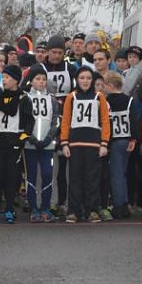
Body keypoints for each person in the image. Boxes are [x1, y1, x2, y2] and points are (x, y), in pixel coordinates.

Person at [0, 65, 34, 223]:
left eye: (7, 77)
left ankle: (10, 208)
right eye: (3, 77)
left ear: (16, 80)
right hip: (0, 140)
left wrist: (22, 140)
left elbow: (29, 122)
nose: (3, 80)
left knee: (12, 177)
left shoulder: (24, 98)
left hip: (14, 140)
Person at [60, 66, 111, 223]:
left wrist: (104, 143)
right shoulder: (72, 97)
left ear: (93, 80)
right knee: (75, 178)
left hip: (94, 144)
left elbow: (105, 120)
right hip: (75, 143)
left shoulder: (99, 97)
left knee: (92, 179)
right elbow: (66, 120)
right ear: (77, 79)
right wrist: (64, 143)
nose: (85, 81)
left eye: (88, 78)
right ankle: (74, 211)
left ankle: (92, 210)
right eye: (82, 78)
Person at [44, 35, 78, 216]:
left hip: (67, 119)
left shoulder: (71, 69)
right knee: (50, 166)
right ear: (48, 52)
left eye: (59, 53)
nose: (56, 56)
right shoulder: (39, 68)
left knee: (65, 165)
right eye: (53, 52)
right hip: (47, 119)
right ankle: (49, 200)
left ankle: (64, 201)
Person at [23, 64, 60, 223]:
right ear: (31, 81)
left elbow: (55, 121)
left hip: (47, 145)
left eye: (44, 79)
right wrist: (31, 139)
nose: (41, 82)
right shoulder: (26, 98)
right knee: (31, 176)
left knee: (47, 174)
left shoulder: (51, 99)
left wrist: (48, 138)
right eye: (38, 79)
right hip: (30, 145)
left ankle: (45, 207)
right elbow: (23, 121)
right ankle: (34, 209)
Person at [104, 71, 137, 219]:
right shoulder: (130, 100)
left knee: (116, 174)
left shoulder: (107, 101)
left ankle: (119, 205)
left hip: (115, 140)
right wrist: (133, 139)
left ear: (110, 86)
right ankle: (125, 202)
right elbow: (134, 121)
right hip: (127, 139)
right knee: (123, 172)